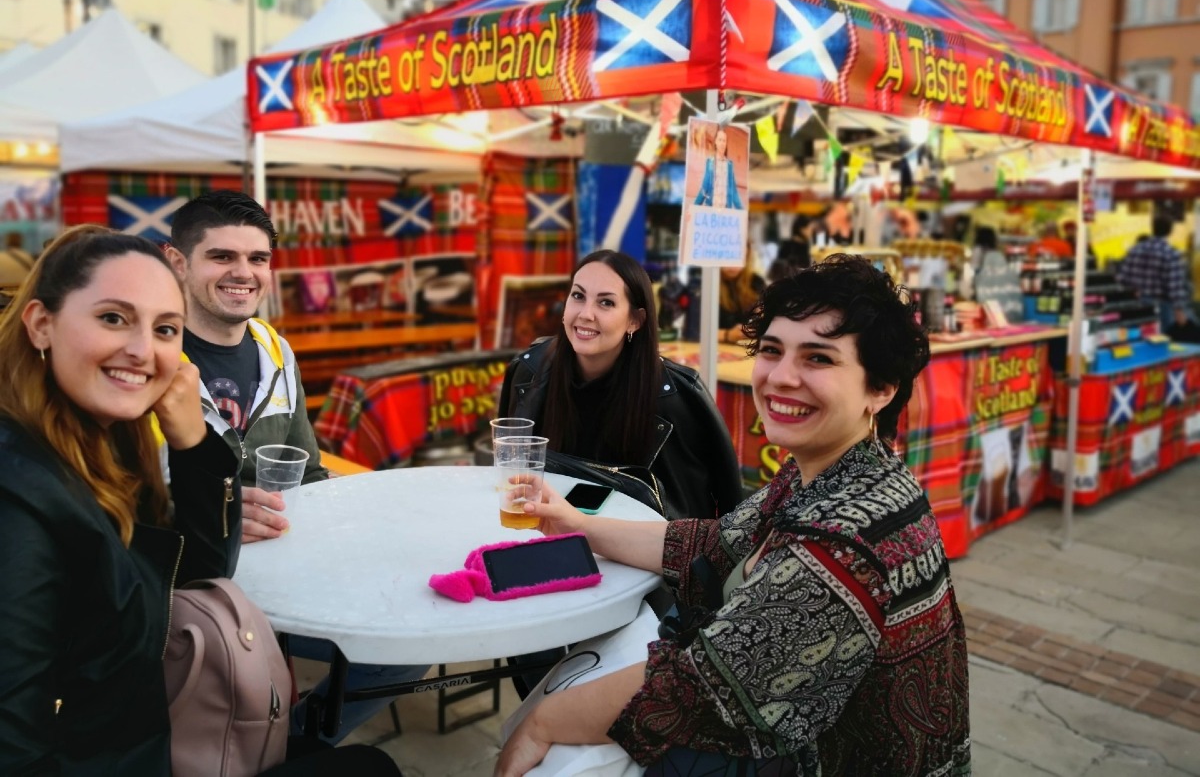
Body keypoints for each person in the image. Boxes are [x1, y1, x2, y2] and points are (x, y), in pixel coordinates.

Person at [497, 253, 971, 776]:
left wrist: (540, 724)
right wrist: (576, 523)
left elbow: (697, 689)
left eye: (818, 358)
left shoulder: (842, 541)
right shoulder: (838, 471)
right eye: (772, 350)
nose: (781, 377)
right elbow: (711, 542)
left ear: (880, 389)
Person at [0, 225, 398, 775]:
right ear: (41, 324)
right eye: (113, 318)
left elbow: (200, 574)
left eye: (165, 328)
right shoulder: (20, 499)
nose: (143, 350)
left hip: (156, 740)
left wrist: (195, 443)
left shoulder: (107, 444)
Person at [167, 190, 426, 744]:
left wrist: (366, 514)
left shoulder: (275, 349)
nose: (244, 273)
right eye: (222, 256)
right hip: (183, 589)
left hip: (285, 571)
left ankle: (296, 746)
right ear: (177, 262)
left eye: (257, 258)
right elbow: (110, 498)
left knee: (410, 638)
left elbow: (306, 471)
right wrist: (213, 514)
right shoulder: (148, 360)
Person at [499, 249, 743, 522]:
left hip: (643, 545)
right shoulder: (530, 373)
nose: (586, 314)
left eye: (606, 303)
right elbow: (507, 475)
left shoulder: (675, 399)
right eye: (578, 296)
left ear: (635, 321)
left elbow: (701, 514)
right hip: (541, 532)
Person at [1117, 214, 1194, 333]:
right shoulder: (1171, 254)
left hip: (1135, 304)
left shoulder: (1135, 250)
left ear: (1152, 228)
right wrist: (1179, 310)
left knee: (1136, 338)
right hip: (1161, 307)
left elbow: (1121, 278)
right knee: (1161, 339)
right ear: (1170, 230)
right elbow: (1174, 288)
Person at [717, 254, 766, 344]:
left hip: (746, 346)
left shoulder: (756, 282)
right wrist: (727, 335)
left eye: (738, 258)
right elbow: (695, 331)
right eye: (728, 258)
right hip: (716, 345)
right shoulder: (705, 283)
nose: (733, 265)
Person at [693, 124, 744, 210]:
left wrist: (741, 211)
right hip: (711, 208)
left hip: (725, 211)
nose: (722, 143)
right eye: (720, 140)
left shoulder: (729, 165)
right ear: (716, 142)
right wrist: (694, 208)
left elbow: (733, 191)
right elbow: (704, 187)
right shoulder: (710, 162)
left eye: (724, 141)